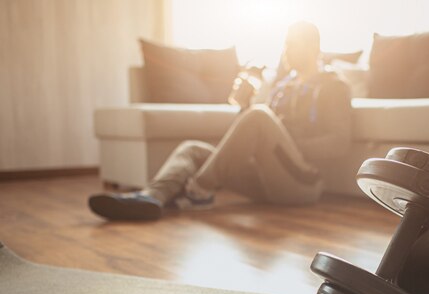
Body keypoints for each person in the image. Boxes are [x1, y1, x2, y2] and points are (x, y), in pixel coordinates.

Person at [89, 21, 352, 221]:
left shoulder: (333, 86)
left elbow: (340, 143)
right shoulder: (283, 86)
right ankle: (150, 199)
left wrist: (289, 142)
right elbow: (258, 136)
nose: (285, 51)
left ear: (314, 47)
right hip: (266, 178)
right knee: (192, 149)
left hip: (302, 184)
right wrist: (243, 107)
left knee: (259, 115)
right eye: (285, 44)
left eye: (292, 44)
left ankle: (197, 191)